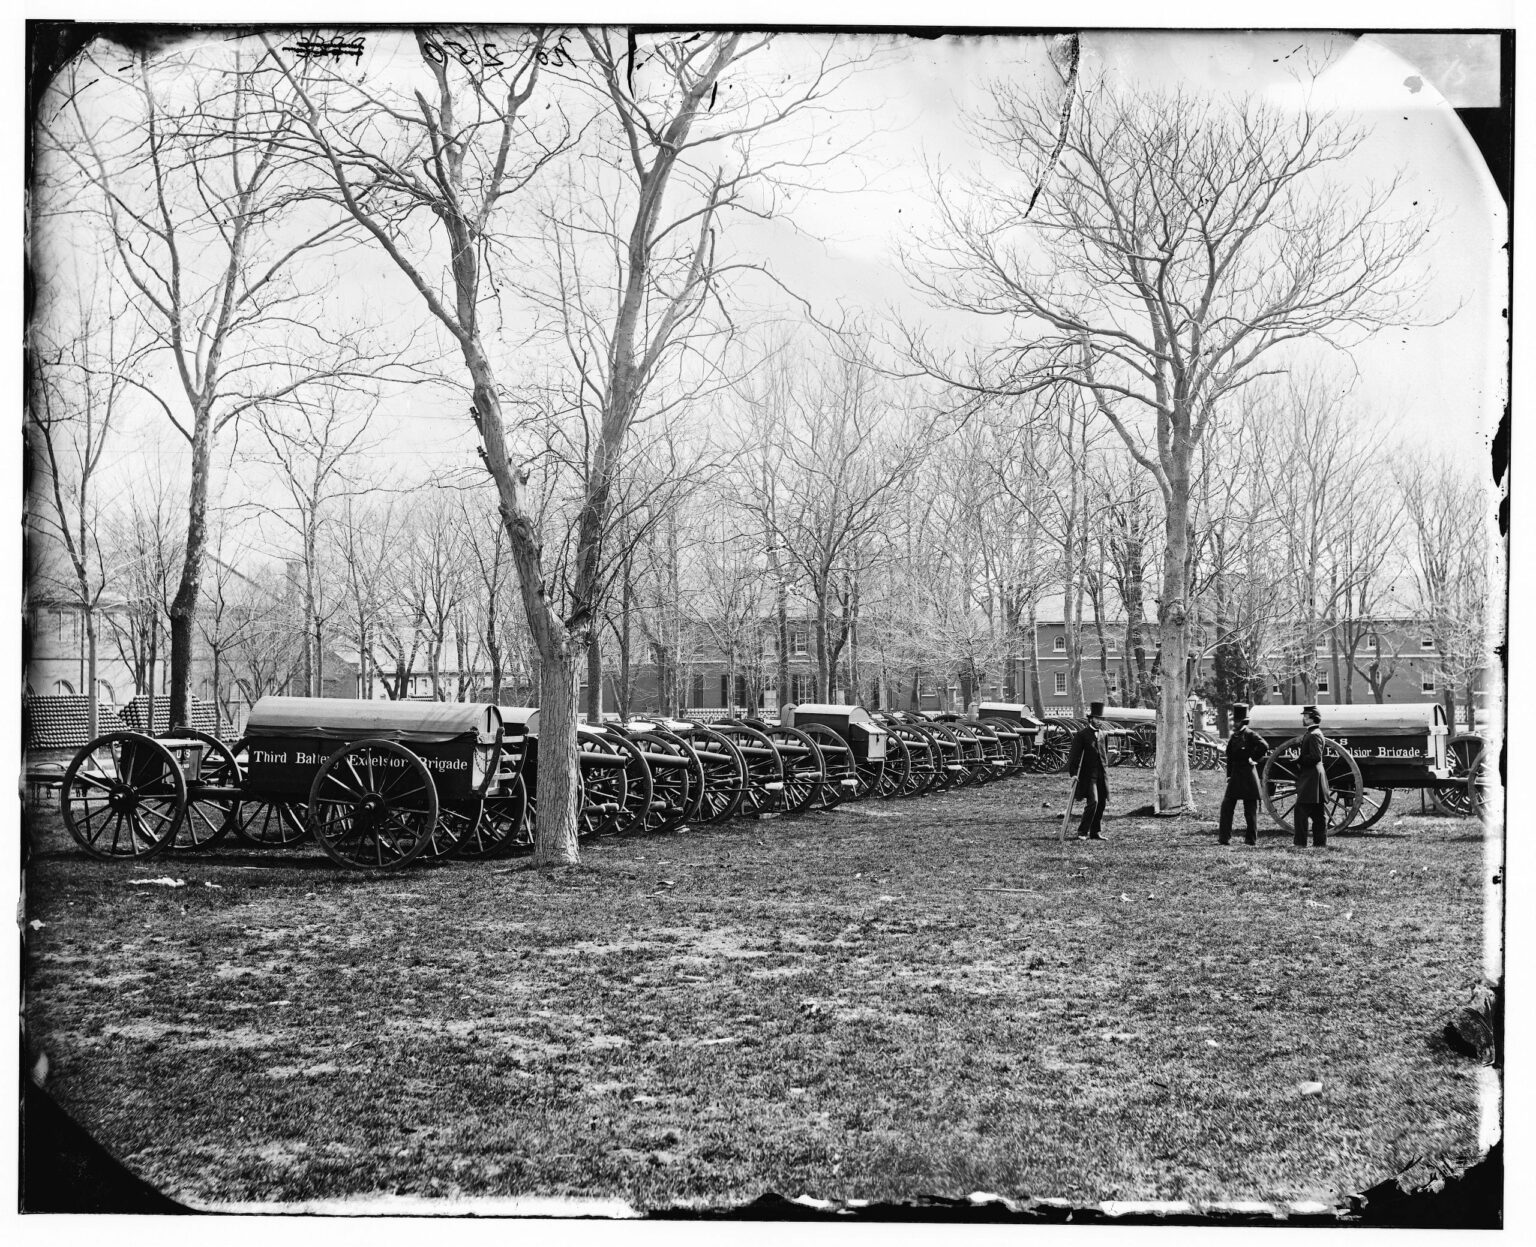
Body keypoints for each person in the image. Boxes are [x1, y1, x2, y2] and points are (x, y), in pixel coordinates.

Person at [1217, 702, 1269, 845]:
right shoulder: (1234, 737)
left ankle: (1251, 840)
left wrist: (1253, 758)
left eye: (1237, 721)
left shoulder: (1251, 735)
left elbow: (1264, 746)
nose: (1234, 723)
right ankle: (1224, 838)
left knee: (1249, 810)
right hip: (1235, 776)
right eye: (1234, 720)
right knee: (1227, 807)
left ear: (1243, 722)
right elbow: (1230, 757)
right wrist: (1228, 775)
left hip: (1248, 776)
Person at [1067, 701, 1110, 840]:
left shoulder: (1104, 735)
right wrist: (1073, 774)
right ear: (1091, 719)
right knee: (1094, 802)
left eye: (1101, 719)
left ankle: (1095, 832)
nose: (1099, 721)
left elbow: (1104, 754)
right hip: (1088, 776)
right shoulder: (1082, 735)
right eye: (1097, 718)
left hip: (1101, 775)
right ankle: (1082, 832)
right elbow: (1073, 756)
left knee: (1102, 803)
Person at [1294, 705, 1330, 848]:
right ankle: (1320, 843)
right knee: (1318, 813)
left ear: (1312, 718)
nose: (1303, 718)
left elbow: (1315, 757)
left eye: (1306, 716)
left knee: (1301, 810)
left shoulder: (1314, 734)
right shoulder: (1314, 733)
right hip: (1315, 776)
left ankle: (1300, 843)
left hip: (1311, 777)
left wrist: (1299, 759)